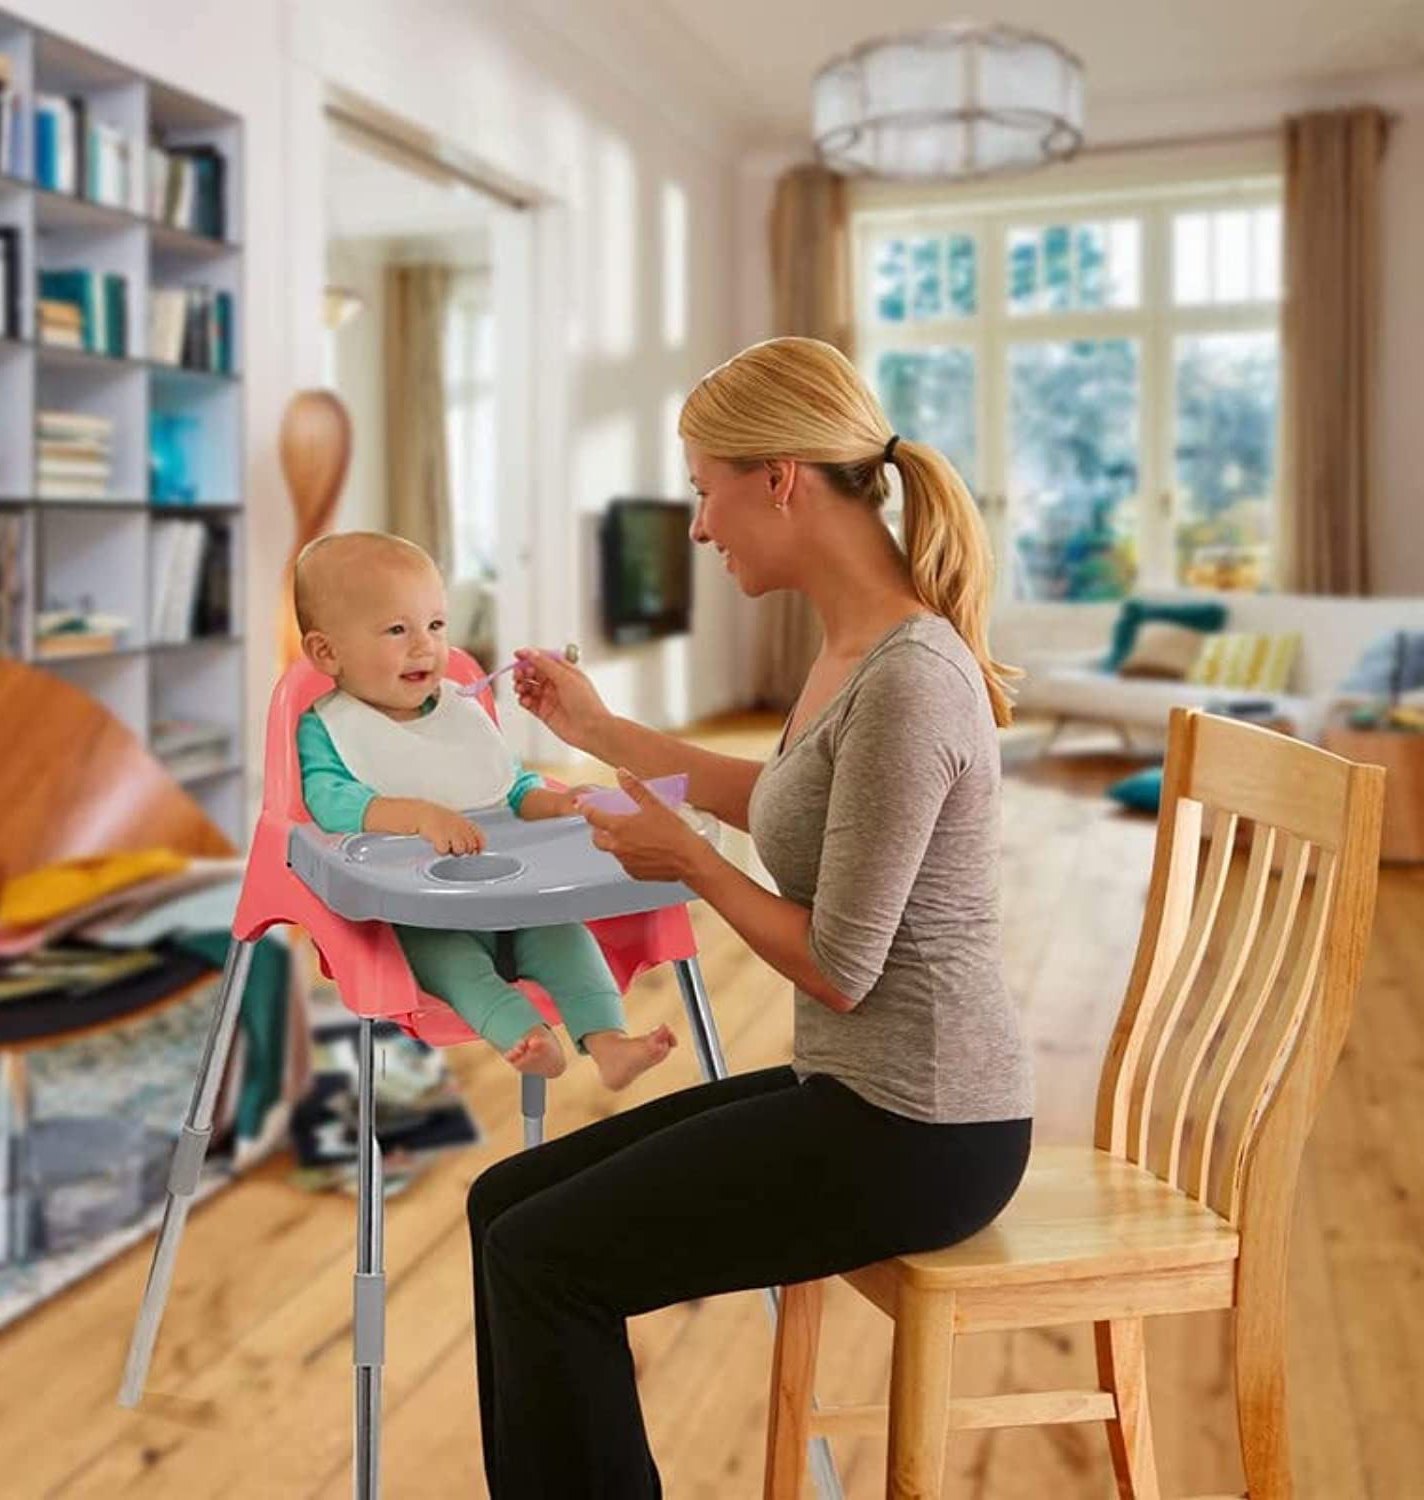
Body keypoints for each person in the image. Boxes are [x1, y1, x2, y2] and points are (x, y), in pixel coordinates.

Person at [470, 336, 1035, 1498]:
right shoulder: (854, 650)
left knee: (543, 1260)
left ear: (776, 477)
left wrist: (690, 864)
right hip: (861, 1098)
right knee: (502, 1204)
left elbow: (839, 970)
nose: (696, 528)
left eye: (701, 490)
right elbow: (775, 798)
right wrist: (600, 731)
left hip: (922, 1133)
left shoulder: (911, 675)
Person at [293, 530, 676, 1090]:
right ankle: (528, 1037)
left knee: (566, 934)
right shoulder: (329, 727)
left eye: (436, 625)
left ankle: (608, 1041)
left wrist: (557, 802)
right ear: (328, 652)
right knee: (449, 963)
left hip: (512, 894)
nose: (424, 645)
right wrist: (420, 817)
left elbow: (510, 785)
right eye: (398, 630)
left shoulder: (459, 710)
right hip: (424, 911)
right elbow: (330, 802)